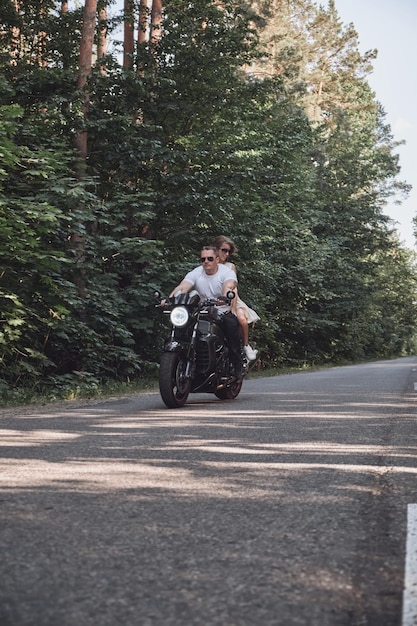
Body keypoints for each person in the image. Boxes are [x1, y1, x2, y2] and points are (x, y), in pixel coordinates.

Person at [169, 246, 245, 379]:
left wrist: (225, 296)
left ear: (216, 259)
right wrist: (170, 299)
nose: (206, 262)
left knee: (232, 326)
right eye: (203, 259)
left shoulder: (226, 272)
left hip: (221, 311)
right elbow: (183, 286)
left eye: (209, 259)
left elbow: (229, 285)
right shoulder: (197, 272)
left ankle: (237, 366)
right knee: (183, 327)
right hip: (200, 310)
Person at [213, 235, 259, 362]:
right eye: (224, 250)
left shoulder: (230, 266)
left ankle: (245, 346)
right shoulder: (209, 265)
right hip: (213, 302)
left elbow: (233, 287)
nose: (226, 254)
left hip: (232, 300)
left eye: (228, 251)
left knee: (241, 319)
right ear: (216, 249)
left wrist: (232, 307)